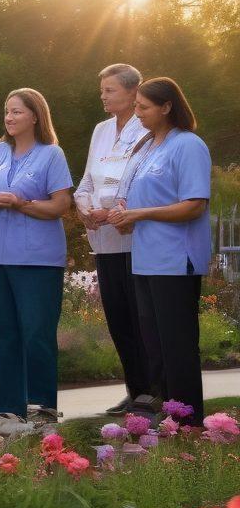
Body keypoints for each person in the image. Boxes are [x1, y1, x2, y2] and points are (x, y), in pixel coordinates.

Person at [0, 89, 74, 436]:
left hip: (38, 260)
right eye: (7, 111)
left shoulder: (51, 154)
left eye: (16, 112)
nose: (9, 117)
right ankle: (5, 411)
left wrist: (22, 204)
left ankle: (42, 408)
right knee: (2, 334)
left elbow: (60, 205)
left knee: (37, 333)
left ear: (35, 116)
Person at [107, 77, 212, 425]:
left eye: (143, 107)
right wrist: (124, 214)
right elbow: (140, 198)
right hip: (145, 260)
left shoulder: (188, 145)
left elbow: (194, 205)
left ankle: (188, 424)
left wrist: (139, 214)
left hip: (175, 260)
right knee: (154, 349)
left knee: (177, 347)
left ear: (167, 107)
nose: (137, 113)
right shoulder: (147, 147)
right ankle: (168, 420)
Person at [74, 63, 156, 416]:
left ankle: (154, 391)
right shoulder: (101, 130)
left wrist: (115, 210)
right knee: (119, 319)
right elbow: (87, 181)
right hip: (103, 239)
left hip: (135, 238)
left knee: (141, 319)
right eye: (102, 90)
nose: (103, 97)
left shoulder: (147, 127)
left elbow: (144, 180)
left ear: (132, 92)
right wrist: (83, 206)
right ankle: (134, 389)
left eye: (110, 90)